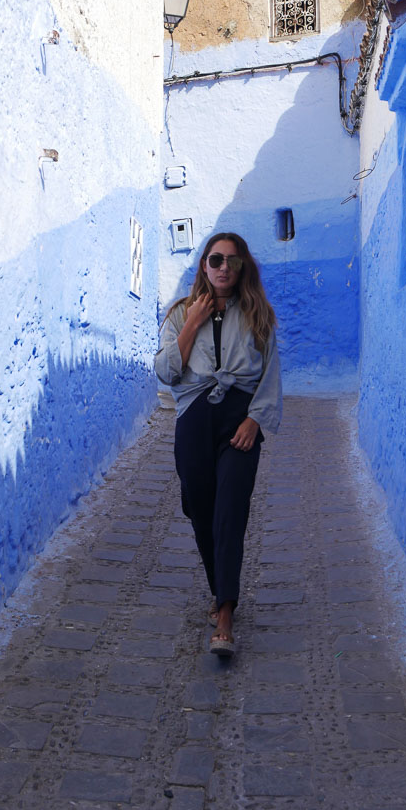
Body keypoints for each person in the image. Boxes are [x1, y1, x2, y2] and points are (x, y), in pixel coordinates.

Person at [155, 232, 282, 656]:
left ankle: (225, 612)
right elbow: (166, 373)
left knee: (230, 509)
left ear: (243, 265)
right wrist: (192, 323)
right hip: (194, 416)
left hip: (239, 419)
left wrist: (255, 419)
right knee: (200, 506)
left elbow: (271, 375)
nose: (224, 267)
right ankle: (220, 591)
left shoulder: (258, 313)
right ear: (204, 267)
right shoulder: (178, 315)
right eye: (215, 260)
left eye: (232, 259)